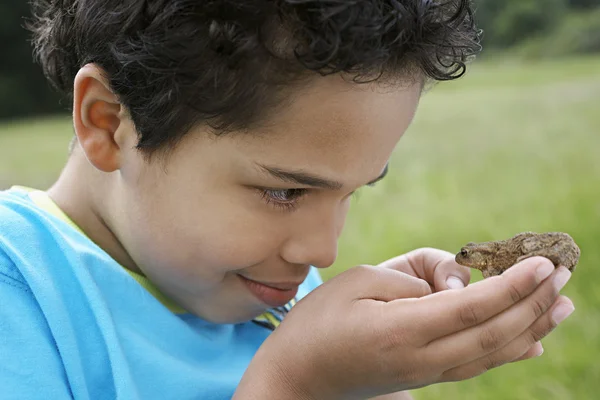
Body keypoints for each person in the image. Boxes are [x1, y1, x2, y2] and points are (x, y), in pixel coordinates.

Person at [0, 1, 575, 399]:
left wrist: (373, 372)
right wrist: (298, 383)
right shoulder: (21, 295)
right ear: (109, 122)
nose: (323, 253)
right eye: (284, 191)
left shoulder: (269, 285)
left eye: (354, 192)